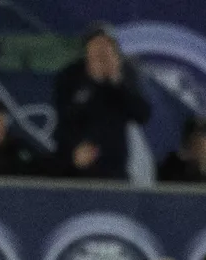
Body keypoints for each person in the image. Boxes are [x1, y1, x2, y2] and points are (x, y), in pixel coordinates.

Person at [53, 25, 150, 181]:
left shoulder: (125, 75)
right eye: (96, 46)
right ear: (86, 50)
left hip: (115, 168)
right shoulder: (70, 76)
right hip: (77, 167)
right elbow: (65, 118)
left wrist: (117, 83)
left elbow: (142, 115)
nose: (102, 51)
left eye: (107, 45)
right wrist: (93, 81)